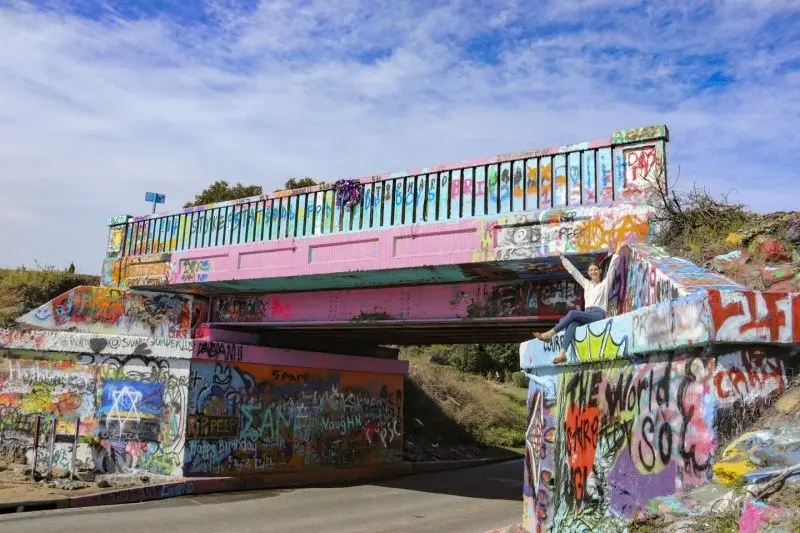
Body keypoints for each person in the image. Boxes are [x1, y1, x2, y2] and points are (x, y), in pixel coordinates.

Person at [534, 241, 627, 364]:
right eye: (591, 270)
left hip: (598, 314)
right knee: (572, 323)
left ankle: (550, 334)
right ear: (588, 273)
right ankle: (562, 354)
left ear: (599, 271)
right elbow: (573, 271)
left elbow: (612, 268)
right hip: (587, 314)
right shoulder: (586, 284)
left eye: (595, 269)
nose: (593, 271)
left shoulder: (605, 284)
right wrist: (562, 257)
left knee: (572, 314)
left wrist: (618, 251)